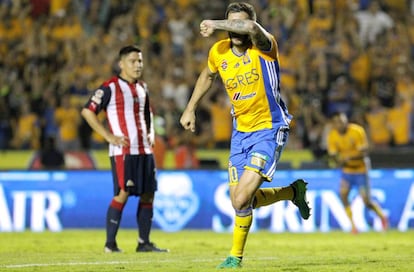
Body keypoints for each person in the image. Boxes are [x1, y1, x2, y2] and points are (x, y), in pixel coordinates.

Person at [179, 2, 310, 269]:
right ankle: (291, 192)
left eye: (237, 23)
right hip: (240, 133)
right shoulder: (219, 51)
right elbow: (207, 75)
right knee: (240, 199)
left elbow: (249, 27)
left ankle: (234, 258)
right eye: (231, 23)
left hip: (269, 129)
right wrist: (190, 108)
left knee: (240, 199)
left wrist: (215, 23)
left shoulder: (264, 45)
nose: (235, 28)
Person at [81, 45, 168, 253]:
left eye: (140, 61)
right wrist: (109, 136)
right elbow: (87, 111)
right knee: (123, 193)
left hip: (145, 150)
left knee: (148, 194)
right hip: (124, 152)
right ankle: (110, 244)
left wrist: (152, 133)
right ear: (121, 64)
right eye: (133, 61)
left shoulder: (143, 87)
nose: (138, 65)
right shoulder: (109, 87)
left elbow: (148, 114)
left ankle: (143, 243)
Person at [327, 111, 388, 234]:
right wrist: (337, 161)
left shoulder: (357, 131)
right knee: (343, 195)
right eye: (338, 122)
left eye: (343, 121)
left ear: (346, 121)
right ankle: (353, 226)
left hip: (361, 169)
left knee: (367, 201)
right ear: (334, 124)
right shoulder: (332, 136)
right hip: (347, 170)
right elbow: (333, 155)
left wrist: (347, 159)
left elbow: (364, 152)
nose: (341, 124)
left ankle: (382, 217)